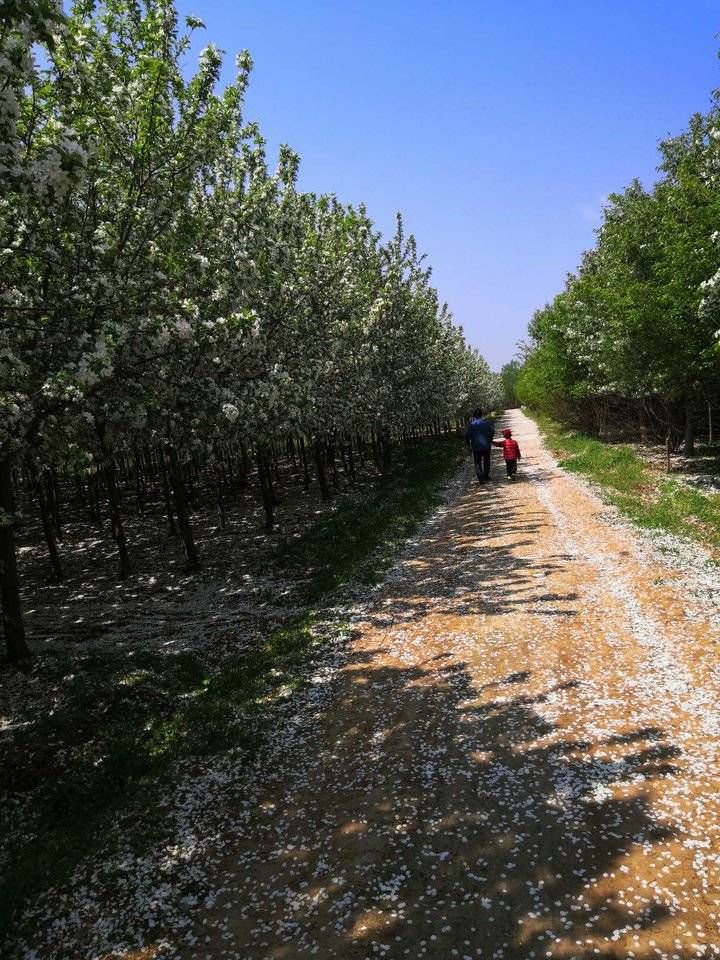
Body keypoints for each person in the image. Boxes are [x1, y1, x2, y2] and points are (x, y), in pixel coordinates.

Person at [465, 408, 495, 482]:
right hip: (486, 446)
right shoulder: (486, 422)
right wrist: (490, 438)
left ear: (474, 415)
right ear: (481, 414)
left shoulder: (471, 424)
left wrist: (467, 443)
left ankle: (480, 478)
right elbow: (492, 431)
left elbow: (468, 435)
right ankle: (486, 476)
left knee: (477, 462)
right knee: (486, 461)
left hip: (476, 446)